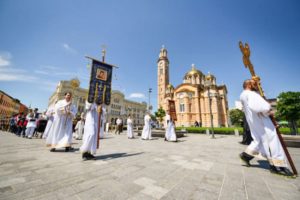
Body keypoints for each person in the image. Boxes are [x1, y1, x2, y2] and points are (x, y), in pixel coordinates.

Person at [239, 79, 292, 176]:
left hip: (254, 121)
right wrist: (269, 110)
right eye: (255, 84)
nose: (257, 86)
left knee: (259, 140)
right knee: (271, 140)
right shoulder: (251, 94)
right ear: (249, 85)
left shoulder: (243, 95)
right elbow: (258, 107)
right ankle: (277, 165)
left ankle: (246, 156)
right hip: (262, 121)